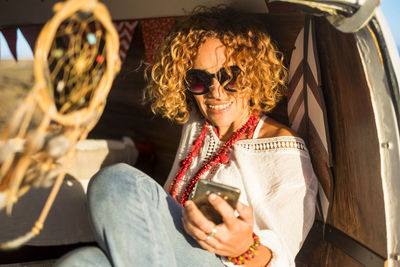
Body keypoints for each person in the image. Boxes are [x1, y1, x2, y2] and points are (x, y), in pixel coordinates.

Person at [55, 6, 318, 267]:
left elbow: (283, 254)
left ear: (255, 74)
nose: (216, 92)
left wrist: (242, 248)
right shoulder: (198, 128)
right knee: (81, 262)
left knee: (114, 181)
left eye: (232, 77)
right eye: (199, 79)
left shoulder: (281, 149)